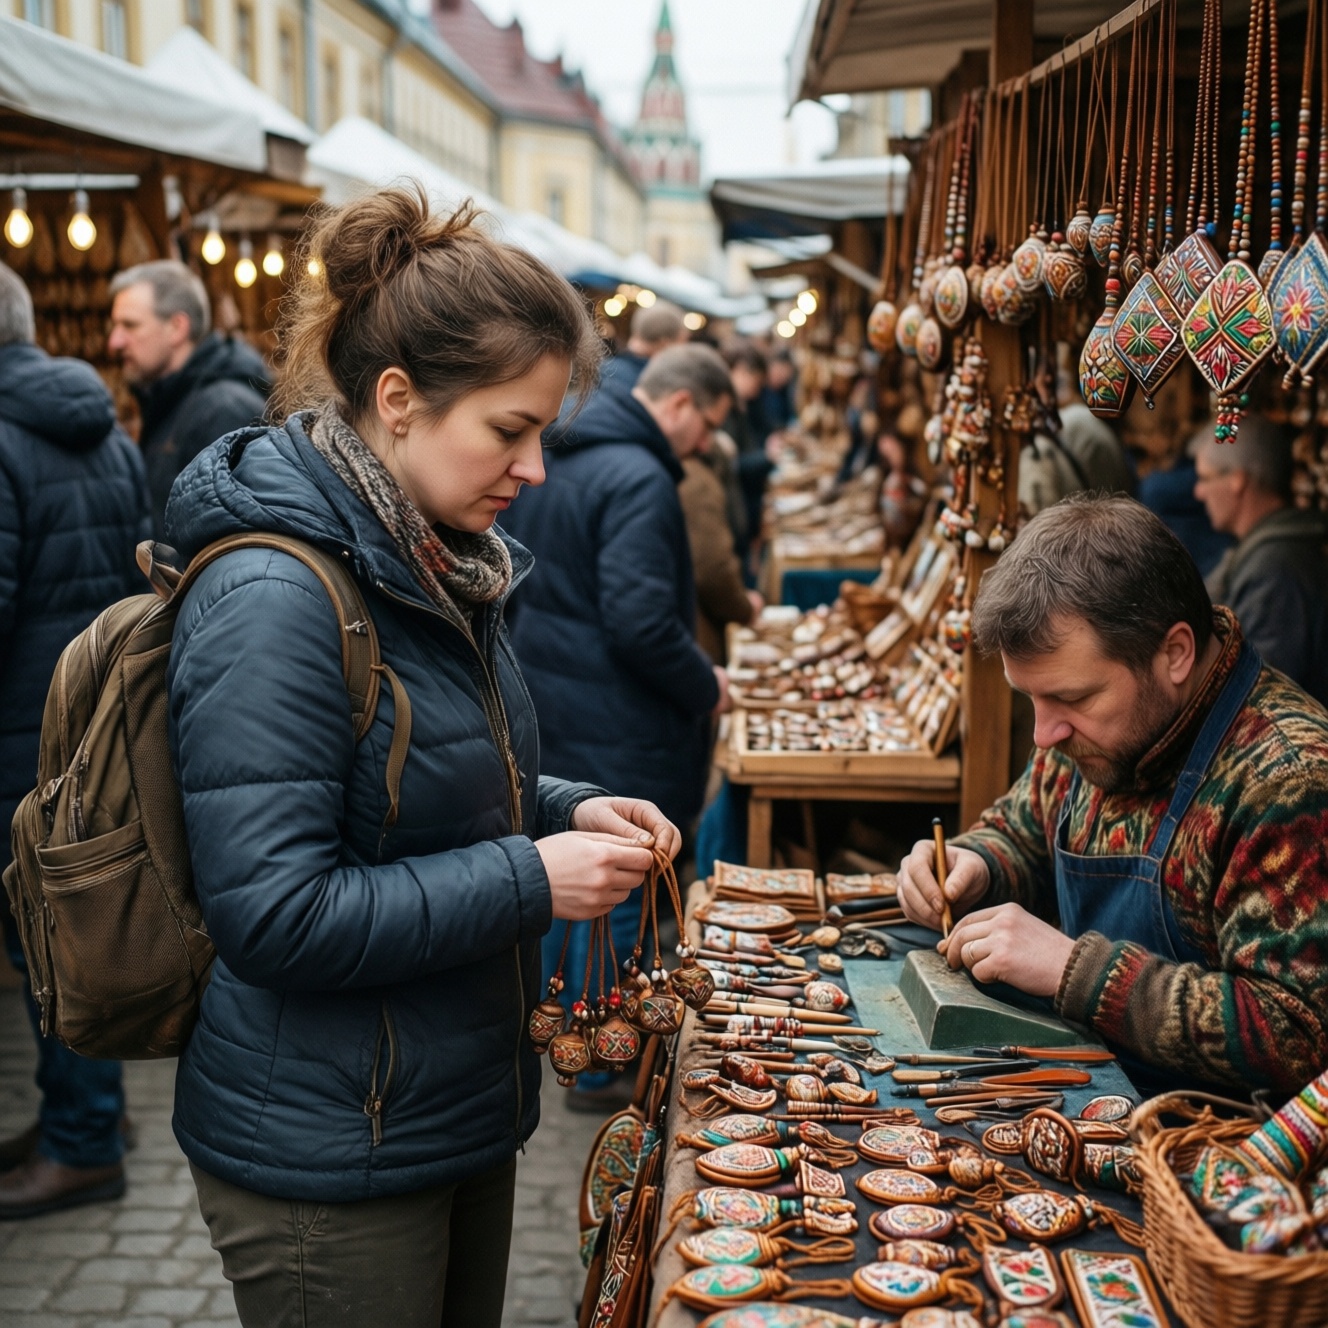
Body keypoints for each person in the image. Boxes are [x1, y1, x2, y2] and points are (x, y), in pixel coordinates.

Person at [161, 186, 677, 1327]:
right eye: (508, 429)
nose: (535, 468)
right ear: (397, 400)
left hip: (439, 1111)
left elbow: (424, 782)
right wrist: (531, 877)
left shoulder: (430, 560)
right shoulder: (276, 595)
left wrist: (567, 810)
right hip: (330, 1150)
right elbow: (275, 913)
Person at [895, 494, 1328, 1097]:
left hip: (1211, 1136)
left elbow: (1298, 1035)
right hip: (1091, 1089)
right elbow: (1023, 831)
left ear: (1174, 654)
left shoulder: (1288, 780)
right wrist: (977, 865)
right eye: (1032, 699)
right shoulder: (1086, 731)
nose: (1045, 733)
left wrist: (1076, 971)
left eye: (1072, 698)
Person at [502, 343, 730, 1109]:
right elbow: (641, 621)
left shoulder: (567, 452)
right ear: (679, 404)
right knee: (619, 878)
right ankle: (599, 1062)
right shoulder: (638, 476)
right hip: (617, 712)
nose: (705, 445)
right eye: (707, 426)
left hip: (556, 691)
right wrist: (705, 687)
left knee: (570, 872)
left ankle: (554, 1032)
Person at [0, 261, 151, 1217]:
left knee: (43, 940)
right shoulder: (102, 427)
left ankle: (84, 1138)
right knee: (68, 929)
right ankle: (87, 1115)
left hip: (18, 732)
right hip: (87, 724)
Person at [108, 259, 271, 537]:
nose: (115, 342)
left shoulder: (223, 412)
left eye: (130, 325)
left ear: (177, 327)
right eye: (114, 326)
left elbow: (235, 541)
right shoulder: (172, 403)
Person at [1194, 415, 1328, 704]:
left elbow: (1259, 697)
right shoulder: (1265, 551)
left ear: (1237, 480)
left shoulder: (1275, 570)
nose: (1198, 492)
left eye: (1205, 478)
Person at [679, 426, 763, 665]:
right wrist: (743, 608)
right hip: (696, 634)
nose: (708, 441)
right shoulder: (693, 478)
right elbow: (712, 569)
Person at [602, 299, 689, 388]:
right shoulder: (648, 388)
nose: (682, 351)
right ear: (665, 344)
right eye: (681, 343)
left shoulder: (605, 367)